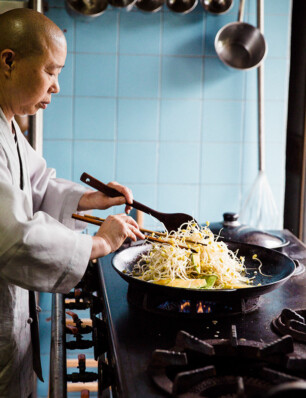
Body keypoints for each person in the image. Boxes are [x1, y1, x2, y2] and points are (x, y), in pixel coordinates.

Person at [0, 8, 144, 398]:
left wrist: (91, 199)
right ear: (9, 61)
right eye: (51, 71)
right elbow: (14, 238)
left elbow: (37, 185)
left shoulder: (8, 124)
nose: (57, 87)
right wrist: (98, 243)